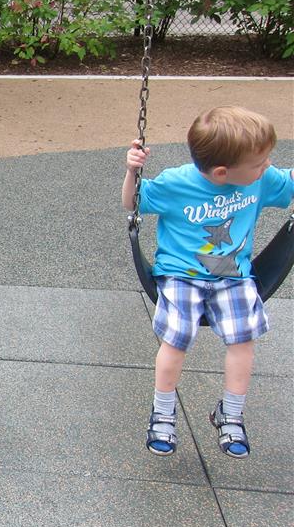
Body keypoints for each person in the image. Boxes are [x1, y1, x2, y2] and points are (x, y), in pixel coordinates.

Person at [122, 106, 293, 458]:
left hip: (233, 277)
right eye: (260, 163)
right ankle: (163, 412)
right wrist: (132, 172)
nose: (267, 166)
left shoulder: (260, 178)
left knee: (243, 338)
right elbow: (132, 202)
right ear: (221, 172)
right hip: (180, 276)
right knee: (176, 338)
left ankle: (230, 413)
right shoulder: (176, 183)